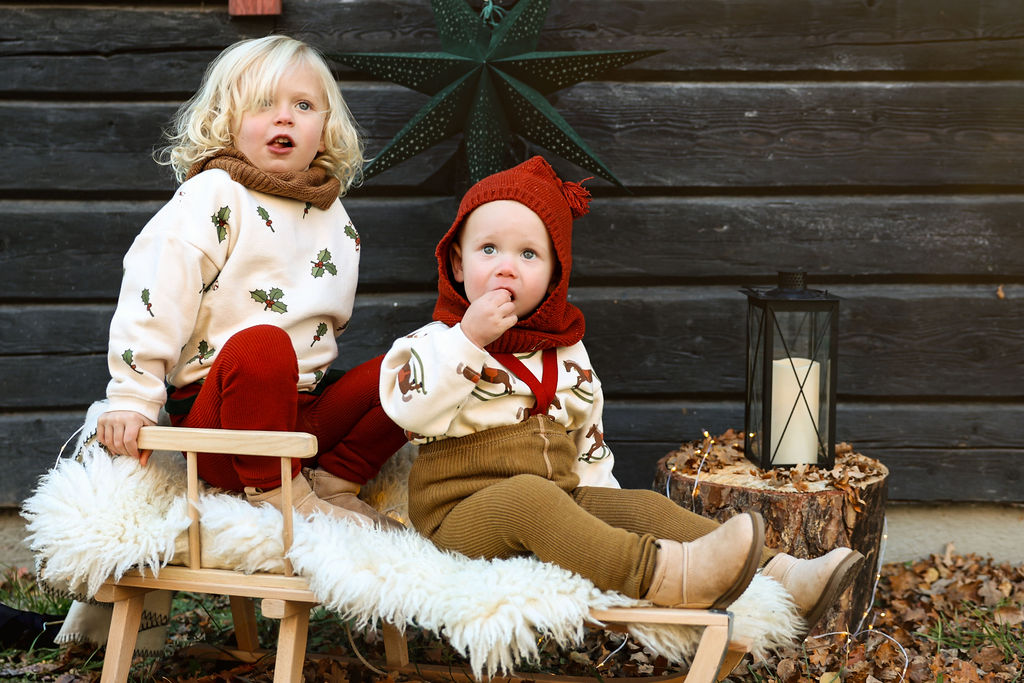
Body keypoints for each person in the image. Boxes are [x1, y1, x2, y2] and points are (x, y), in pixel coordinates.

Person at [379, 156, 863, 623]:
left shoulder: (567, 353)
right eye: (489, 249)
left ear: (554, 275)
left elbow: (588, 444)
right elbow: (407, 409)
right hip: (459, 519)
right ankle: (665, 575)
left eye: (528, 254)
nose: (506, 267)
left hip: (555, 501)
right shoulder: (435, 341)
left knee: (639, 506)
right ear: (457, 264)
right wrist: (469, 339)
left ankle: (780, 576)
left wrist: (604, 520)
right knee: (530, 497)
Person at [97, 35, 405, 530]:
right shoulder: (213, 195)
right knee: (263, 344)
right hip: (222, 422)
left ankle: (336, 480)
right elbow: (156, 292)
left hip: (302, 417)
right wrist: (133, 397)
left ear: (325, 129)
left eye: (303, 105)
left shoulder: (332, 213)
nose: (285, 118)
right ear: (227, 121)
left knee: (413, 365)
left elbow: (327, 324)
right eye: (263, 104)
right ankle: (276, 493)